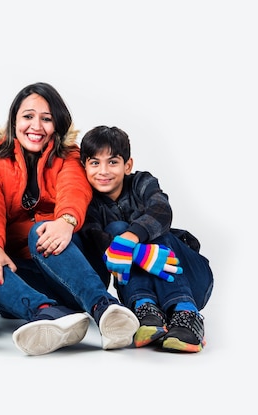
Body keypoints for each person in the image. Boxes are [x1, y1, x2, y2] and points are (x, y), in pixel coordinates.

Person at [0, 82, 139, 356]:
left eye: (46, 119)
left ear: (57, 123)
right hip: (26, 275)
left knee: (40, 230)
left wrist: (66, 220)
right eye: (28, 117)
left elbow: (74, 188)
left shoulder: (69, 155)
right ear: (14, 120)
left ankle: (104, 307)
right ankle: (47, 314)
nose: (36, 126)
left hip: (72, 265)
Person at [78, 125, 214, 353]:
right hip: (144, 291)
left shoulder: (142, 182)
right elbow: (96, 239)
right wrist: (138, 254)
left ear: (127, 165)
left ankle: (187, 313)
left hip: (190, 278)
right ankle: (146, 311)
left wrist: (131, 240)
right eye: (94, 163)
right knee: (115, 231)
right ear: (84, 167)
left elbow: (161, 210)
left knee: (152, 230)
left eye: (112, 162)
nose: (103, 170)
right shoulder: (89, 204)